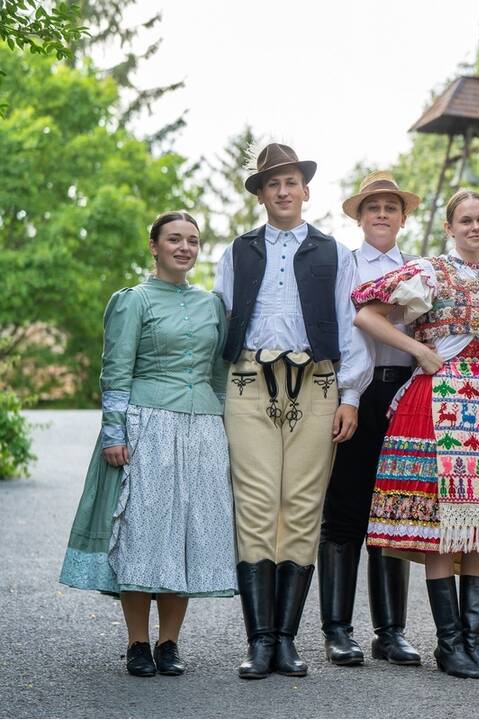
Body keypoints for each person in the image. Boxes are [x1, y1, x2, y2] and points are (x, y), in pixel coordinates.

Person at [352, 189, 479, 679]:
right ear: (449, 228)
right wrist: (418, 349)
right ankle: (449, 645)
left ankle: (473, 643)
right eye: (466, 220)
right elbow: (365, 312)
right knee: (444, 530)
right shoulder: (429, 272)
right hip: (438, 405)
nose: (476, 227)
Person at [214, 143, 372, 680]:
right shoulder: (237, 252)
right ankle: (258, 639)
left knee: (302, 506)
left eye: (291, 182)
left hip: (318, 382)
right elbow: (224, 318)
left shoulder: (334, 253)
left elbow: (352, 331)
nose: (283, 191)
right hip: (250, 381)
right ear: (261, 195)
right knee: (258, 502)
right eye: (272, 184)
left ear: (305, 191)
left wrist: (351, 396)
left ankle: (286, 639)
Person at [59, 211, 237, 677]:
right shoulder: (132, 300)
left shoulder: (212, 305)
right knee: (143, 532)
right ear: (153, 246)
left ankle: (170, 643)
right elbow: (115, 370)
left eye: (192, 240)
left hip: (201, 429)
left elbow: (219, 375)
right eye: (174, 239)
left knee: (185, 533)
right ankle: (138, 642)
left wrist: (220, 428)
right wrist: (115, 433)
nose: (184, 247)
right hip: (147, 426)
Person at [318, 172, 423, 668]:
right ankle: (337, 629)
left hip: (406, 393)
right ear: (360, 217)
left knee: (393, 510)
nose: (382, 214)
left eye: (391, 207)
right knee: (345, 511)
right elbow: (347, 331)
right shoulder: (347, 265)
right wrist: (349, 394)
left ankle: (391, 631)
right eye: (373, 207)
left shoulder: (420, 269)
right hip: (356, 392)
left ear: (404, 217)